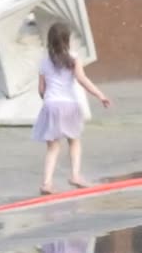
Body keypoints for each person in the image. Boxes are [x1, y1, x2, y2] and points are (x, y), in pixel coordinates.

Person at [31, 22, 112, 195]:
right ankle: (75, 175)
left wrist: (48, 101)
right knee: (74, 141)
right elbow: (82, 80)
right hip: (69, 105)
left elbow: (41, 89)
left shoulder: (44, 62)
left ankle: (46, 183)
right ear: (67, 40)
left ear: (50, 41)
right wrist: (100, 95)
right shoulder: (73, 58)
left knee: (53, 148)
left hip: (50, 105)